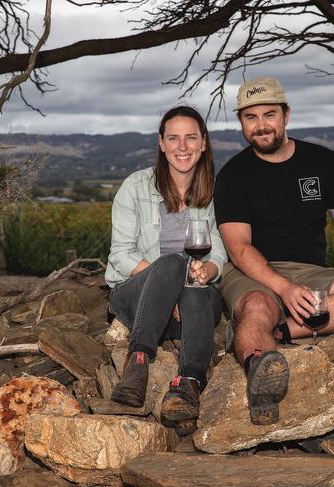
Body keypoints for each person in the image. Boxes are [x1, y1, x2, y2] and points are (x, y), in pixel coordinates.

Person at [213, 76, 334, 426]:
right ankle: (260, 379)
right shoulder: (233, 175)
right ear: (241, 123)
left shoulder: (322, 161)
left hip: (310, 270)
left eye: (269, 114)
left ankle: (276, 332)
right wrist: (283, 288)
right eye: (251, 118)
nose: (261, 125)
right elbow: (238, 248)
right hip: (252, 269)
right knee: (256, 305)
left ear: (286, 115)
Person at [105, 105, 226, 435]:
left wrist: (211, 268)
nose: (182, 147)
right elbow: (121, 255)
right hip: (136, 297)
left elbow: (218, 250)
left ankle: (187, 385)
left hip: (189, 308)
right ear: (161, 143)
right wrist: (166, 283)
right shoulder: (136, 186)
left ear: (203, 143)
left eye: (190, 138)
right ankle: (139, 360)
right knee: (173, 263)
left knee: (198, 287)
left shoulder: (215, 191)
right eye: (173, 138)